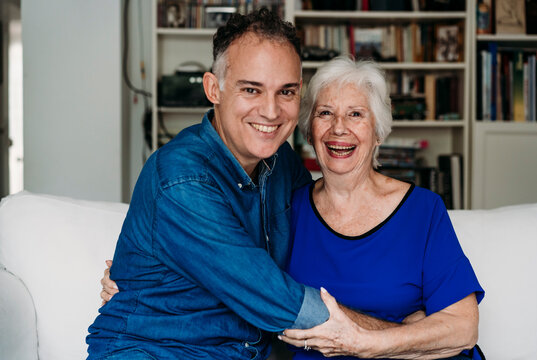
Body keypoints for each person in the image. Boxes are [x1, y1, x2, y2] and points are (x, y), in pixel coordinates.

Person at [86, 9, 331, 360]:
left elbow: (323, 240)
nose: (271, 111)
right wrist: (381, 334)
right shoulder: (180, 178)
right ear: (213, 89)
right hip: (155, 352)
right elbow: (274, 297)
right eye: (251, 89)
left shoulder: (283, 163)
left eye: (287, 92)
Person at [277, 57, 484, 359]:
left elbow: (463, 329)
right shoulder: (288, 210)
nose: (339, 128)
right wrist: (408, 331)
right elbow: (276, 315)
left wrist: (363, 342)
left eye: (356, 114)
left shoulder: (422, 211)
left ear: (378, 132)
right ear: (309, 131)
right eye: (325, 113)